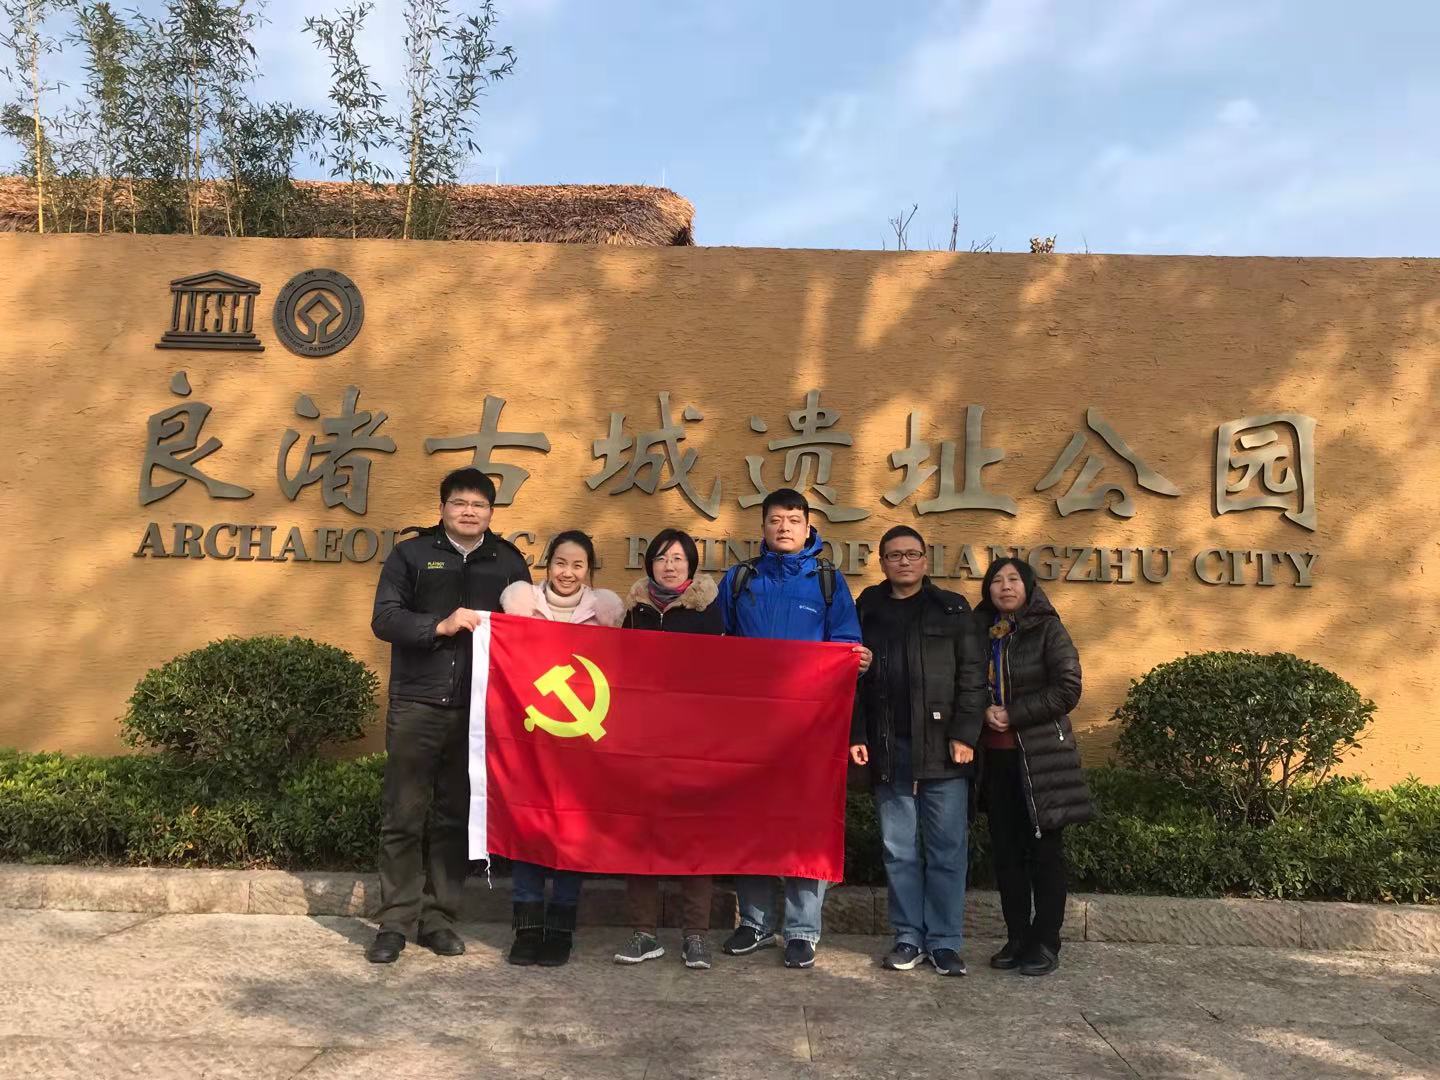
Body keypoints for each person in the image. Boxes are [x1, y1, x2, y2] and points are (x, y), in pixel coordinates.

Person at [366, 468, 532, 965]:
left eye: (479, 505)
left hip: (478, 712)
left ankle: (438, 920)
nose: (468, 511)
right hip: (417, 703)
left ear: (491, 512)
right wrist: (440, 625)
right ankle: (395, 922)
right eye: (459, 503)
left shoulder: (508, 561)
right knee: (403, 815)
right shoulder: (412, 555)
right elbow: (385, 619)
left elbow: (530, 630)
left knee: (455, 818)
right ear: (442, 508)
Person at [716, 487, 871, 970]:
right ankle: (755, 922)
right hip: (749, 730)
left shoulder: (827, 581)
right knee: (751, 823)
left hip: (810, 730)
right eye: (775, 520)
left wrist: (855, 660)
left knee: (806, 824)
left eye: (793, 520)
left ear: (808, 527)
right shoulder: (740, 578)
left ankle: (803, 930)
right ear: (763, 527)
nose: (783, 527)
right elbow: (717, 646)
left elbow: (845, 642)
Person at [849, 526, 987, 976]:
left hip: (945, 749)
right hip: (890, 746)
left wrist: (965, 734)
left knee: (947, 850)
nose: (903, 562)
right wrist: (857, 734)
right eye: (894, 555)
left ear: (925, 560)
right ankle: (908, 937)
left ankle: (944, 942)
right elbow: (852, 680)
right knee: (899, 850)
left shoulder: (952, 608)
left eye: (911, 554)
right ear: (882, 562)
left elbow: (973, 677)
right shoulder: (867, 609)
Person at [499, 530, 624, 967]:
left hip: (581, 747)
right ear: (548, 564)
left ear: (588, 571)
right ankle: (527, 926)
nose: (567, 573)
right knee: (528, 825)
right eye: (560, 563)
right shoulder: (521, 607)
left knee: (572, 829)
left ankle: (560, 928)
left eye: (577, 565)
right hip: (529, 740)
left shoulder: (604, 615)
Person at [974, 556, 1093, 977]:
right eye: (997, 580)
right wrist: (982, 709)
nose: (1005, 586)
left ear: (1028, 588)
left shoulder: (1048, 630)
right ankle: (1017, 937)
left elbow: (1067, 689)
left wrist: (1014, 713)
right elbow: (964, 683)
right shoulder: (979, 631)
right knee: (1006, 854)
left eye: (1014, 579)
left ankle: (1045, 941)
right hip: (996, 760)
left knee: (1045, 854)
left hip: (1041, 759)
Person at [612, 529, 725, 971]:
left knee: (694, 835)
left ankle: (695, 935)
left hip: (694, 740)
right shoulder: (634, 611)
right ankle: (643, 933)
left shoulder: (709, 611)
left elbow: (726, 675)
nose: (670, 565)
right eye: (661, 558)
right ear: (650, 565)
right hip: (642, 740)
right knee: (642, 834)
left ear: (691, 564)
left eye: (678, 558)